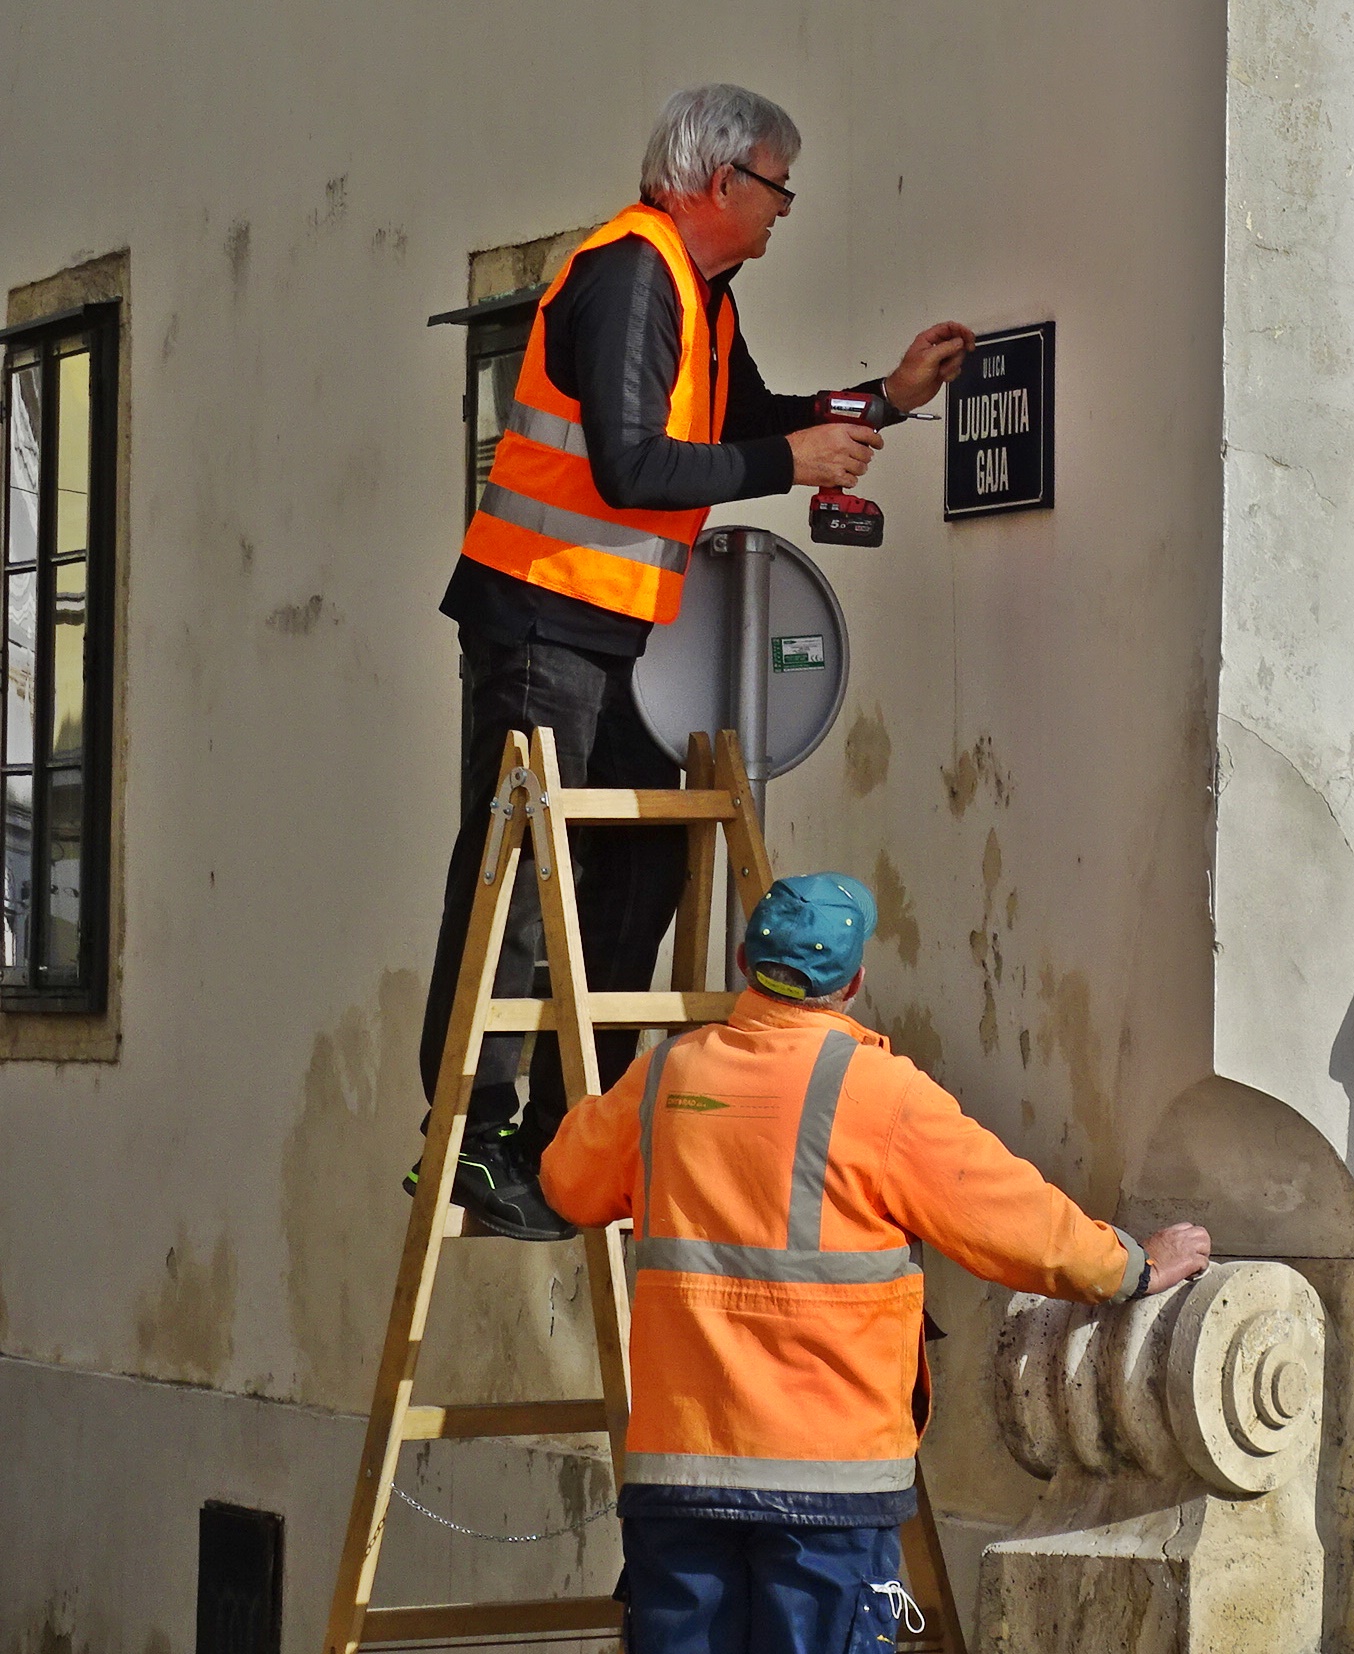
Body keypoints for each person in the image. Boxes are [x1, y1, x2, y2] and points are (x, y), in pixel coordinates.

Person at [413, 84, 978, 1238]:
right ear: (719, 181)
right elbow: (634, 466)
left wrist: (886, 397)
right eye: (778, 188)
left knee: (647, 864)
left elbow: (751, 415)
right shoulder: (630, 273)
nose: (784, 213)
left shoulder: (699, 295)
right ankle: (470, 1139)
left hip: (619, 633)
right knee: (523, 875)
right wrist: (790, 457)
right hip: (539, 618)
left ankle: (571, 1135)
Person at [540, 873, 1214, 1654]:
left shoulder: (664, 1078)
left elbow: (567, 1182)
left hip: (680, 1480)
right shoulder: (879, 1094)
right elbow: (1012, 1219)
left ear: (742, 962)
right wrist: (1129, 1267)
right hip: (827, 1488)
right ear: (854, 982)